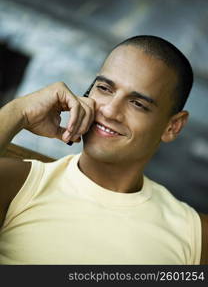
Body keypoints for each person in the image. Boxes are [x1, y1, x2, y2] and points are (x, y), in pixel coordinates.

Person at [0, 35, 207, 265]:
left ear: (172, 126)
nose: (109, 111)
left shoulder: (194, 235)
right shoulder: (18, 183)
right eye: (105, 88)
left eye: (137, 103)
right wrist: (18, 112)